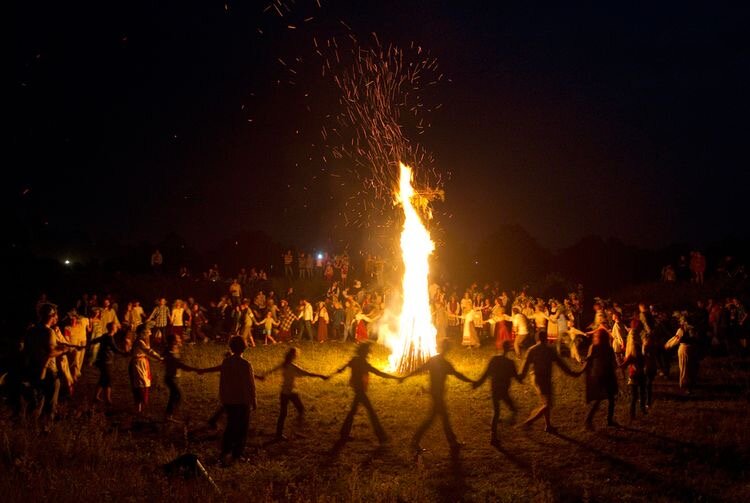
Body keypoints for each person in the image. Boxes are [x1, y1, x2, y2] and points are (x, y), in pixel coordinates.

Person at [402, 339, 474, 454]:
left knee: (443, 419)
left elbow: (420, 369)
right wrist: (471, 381)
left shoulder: (435, 360)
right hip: (437, 395)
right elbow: (458, 375)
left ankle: (453, 442)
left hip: (435, 393)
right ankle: (415, 441)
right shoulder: (444, 363)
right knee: (433, 420)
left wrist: (405, 377)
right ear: (447, 349)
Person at [200, 336, 258, 465]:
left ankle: (225, 451)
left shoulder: (226, 362)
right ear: (244, 347)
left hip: (229, 400)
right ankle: (237, 454)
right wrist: (253, 400)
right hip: (242, 401)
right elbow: (250, 384)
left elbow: (222, 377)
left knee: (231, 426)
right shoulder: (245, 364)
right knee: (242, 429)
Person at [331, 343, 399, 445]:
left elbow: (342, 368)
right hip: (360, 391)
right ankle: (382, 437)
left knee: (353, 412)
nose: (369, 352)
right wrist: (396, 378)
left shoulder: (355, 360)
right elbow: (379, 373)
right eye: (367, 351)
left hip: (358, 390)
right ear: (364, 352)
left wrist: (331, 375)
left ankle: (344, 434)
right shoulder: (363, 364)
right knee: (370, 412)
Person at [518, 331, 580, 432]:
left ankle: (548, 426)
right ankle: (528, 422)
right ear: (546, 338)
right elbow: (562, 365)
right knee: (548, 404)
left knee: (546, 402)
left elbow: (525, 366)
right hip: (542, 378)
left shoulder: (532, 350)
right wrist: (573, 373)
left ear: (537, 339)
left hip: (536, 377)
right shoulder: (549, 350)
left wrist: (520, 377)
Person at [263, 347, 328, 440]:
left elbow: (273, 370)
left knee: (283, 413)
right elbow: (307, 373)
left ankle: (279, 433)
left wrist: (264, 376)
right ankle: (296, 428)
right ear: (294, 356)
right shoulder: (293, 367)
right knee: (301, 410)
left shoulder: (284, 364)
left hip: (284, 392)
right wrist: (321, 376)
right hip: (291, 392)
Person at [473, 340, 519, 445]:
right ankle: (503, 429)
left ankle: (494, 436)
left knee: (497, 412)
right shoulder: (510, 363)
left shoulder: (494, 360)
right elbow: (517, 377)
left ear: (502, 347)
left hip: (495, 389)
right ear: (509, 349)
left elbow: (485, 374)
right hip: (503, 390)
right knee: (512, 409)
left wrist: (478, 383)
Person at [579, 329, 619, 429]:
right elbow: (613, 363)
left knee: (603, 399)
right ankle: (594, 420)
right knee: (608, 399)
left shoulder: (596, 347)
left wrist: (581, 370)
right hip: (604, 375)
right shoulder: (605, 348)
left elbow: (588, 360)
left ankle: (594, 420)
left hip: (601, 375)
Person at [162, 332, 202, 422]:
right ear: (173, 342)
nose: (180, 339)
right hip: (170, 378)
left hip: (175, 377)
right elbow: (180, 365)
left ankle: (169, 415)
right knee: (178, 395)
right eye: (178, 338)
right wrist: (195, 369)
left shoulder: (174, 349)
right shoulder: (170, 352)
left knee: (174, 396)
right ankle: (170, 415)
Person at [89, 321, 128, 406]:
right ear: (113, 328)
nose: (117, 328)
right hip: (106, 361)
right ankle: (108, 399)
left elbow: (96, 340)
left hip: (103, 360)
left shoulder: (105, 336)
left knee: (103, 379)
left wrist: (89, 343)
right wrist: (124, 353)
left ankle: (96, 397)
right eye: (116, 327)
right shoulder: (110, 337)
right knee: (108, 380)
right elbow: (115, 349)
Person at [128, 324, 164, 415]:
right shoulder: (140, 342)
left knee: (144, 384)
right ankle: (140, 406)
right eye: (147, 332)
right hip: (138, 365)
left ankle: (141, 407)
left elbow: (147, 352)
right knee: (141, 385)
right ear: (142, 333)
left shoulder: (142, 341)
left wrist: (157, 359)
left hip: (141, 363)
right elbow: (148, 351)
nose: (149, 334)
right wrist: (159, 357)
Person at [620, 319, 647, 419]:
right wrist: (623, 364)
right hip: (636, 373)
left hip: (637, 372)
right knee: (636, 395)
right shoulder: (635, 345)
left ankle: (640, 410)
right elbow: (631, 357)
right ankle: (634, 413)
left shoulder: (634, 343)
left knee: (639, 393)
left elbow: (631, 358)